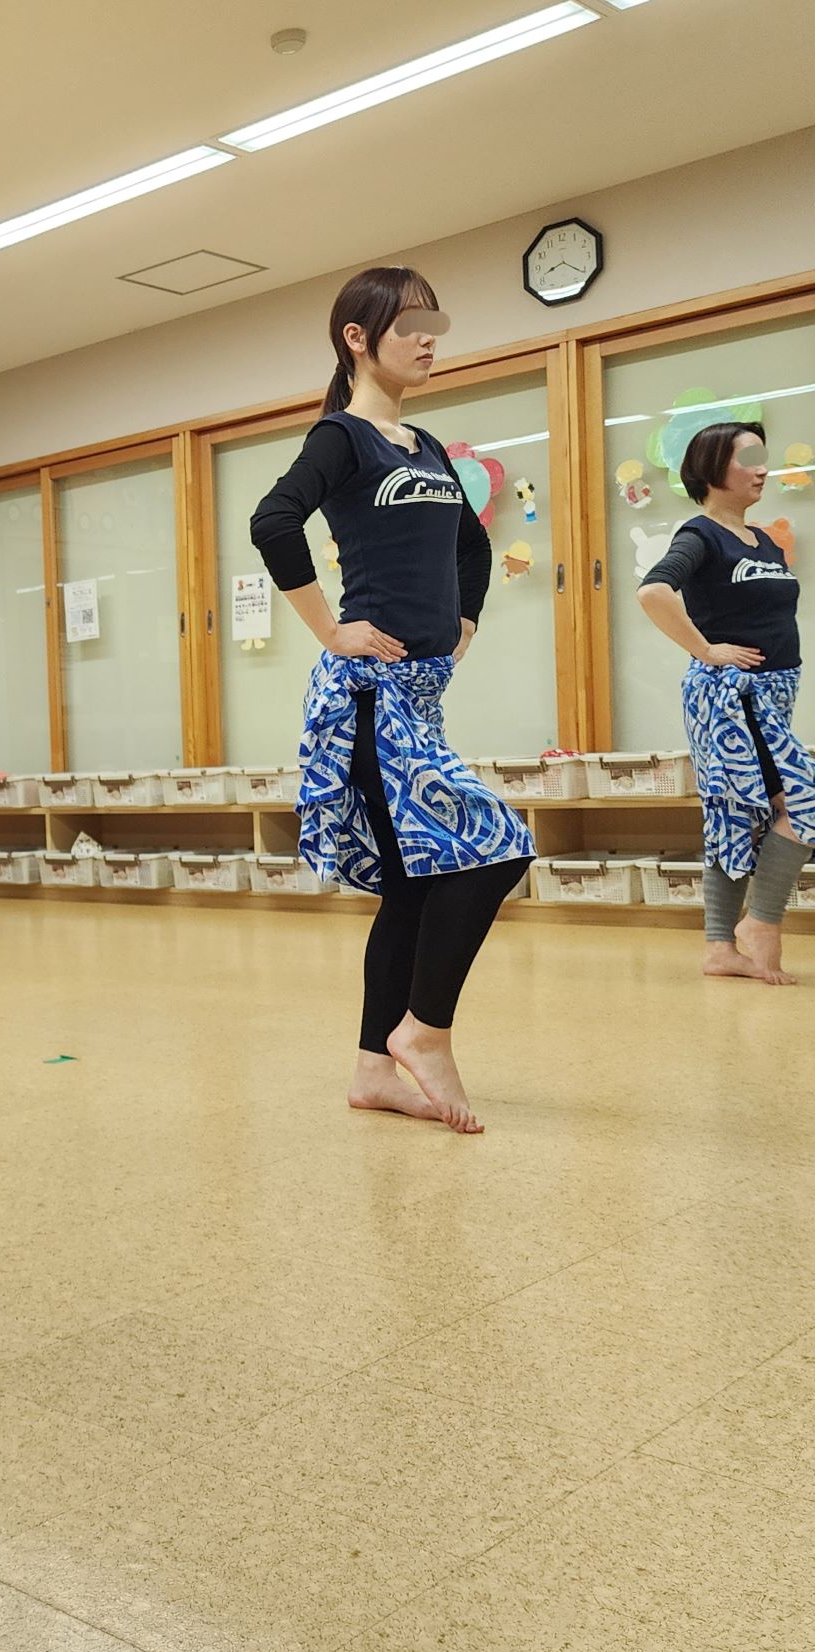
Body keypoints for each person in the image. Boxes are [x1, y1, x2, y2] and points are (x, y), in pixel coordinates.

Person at [250, 266, 532, 1134]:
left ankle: (375, 1069)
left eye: (433, 323)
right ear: (357, 339)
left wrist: (466, 625)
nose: (429, 337)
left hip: (422, 692)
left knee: (416, 885)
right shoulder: (343, 438)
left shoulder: (429, 448)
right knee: (495, 845)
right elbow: (273, 520)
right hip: (367, 694)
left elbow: (471, 551)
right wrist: (331, 629)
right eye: (409, 324)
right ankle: (427, 1033)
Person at [638, 420, 814, 984]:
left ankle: (720, 948)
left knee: (739, 815)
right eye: (749, 459)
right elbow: (654, 591)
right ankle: (760, 923)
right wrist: (707, 651)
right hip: (731, 700)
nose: (763, 469)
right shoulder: (700, 535)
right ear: (714, 468)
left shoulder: (762, 540)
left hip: (771, 698)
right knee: (800, 802)